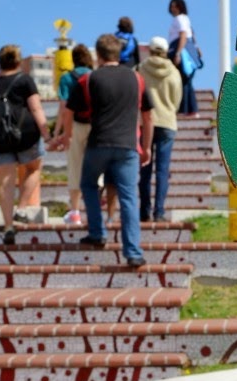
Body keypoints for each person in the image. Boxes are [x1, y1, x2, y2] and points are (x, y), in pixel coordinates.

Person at [63, 33, 153, 263]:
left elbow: (69, 110)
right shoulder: (137, 79)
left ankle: (97, 233)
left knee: (88, 184)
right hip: (128, 145)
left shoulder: (88, 80)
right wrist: (146, 147)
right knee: (128, 197)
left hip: (98, 143)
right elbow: (148, 116)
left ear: (99, 55)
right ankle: (133, 253)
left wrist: (66, 136)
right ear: (119, 54)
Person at [0, 44, 50, 245]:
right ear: (18, 61)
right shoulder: (25, 80)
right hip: (26, 134)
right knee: (34, 168)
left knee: (5, 181)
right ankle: (22, 208)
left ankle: (8, 226)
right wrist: (46, 133)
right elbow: (36, 109)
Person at [138, 36, 183, 221]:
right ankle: (159, 211)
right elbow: (177, 100)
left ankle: (144, 211)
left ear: (149, 50)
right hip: (167, 122)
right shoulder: (174, 72)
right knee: (162, 171)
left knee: (144, 169)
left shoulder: (140, 69)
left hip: (144, 122)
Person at [52, 43, 94, 226]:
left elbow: (64, 108)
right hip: (95, 126)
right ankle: (95, 208)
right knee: (95, 166)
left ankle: (75, 212)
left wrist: (59, 132)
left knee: (75, 168)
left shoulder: (67, 78)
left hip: (75, 125)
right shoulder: (95, 76)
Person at [168, 0, 198, 115]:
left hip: (181, 49)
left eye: (174, 6)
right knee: (187, 80)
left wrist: (178, 53)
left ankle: (183, 110)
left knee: (182, 80)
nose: (172, 8)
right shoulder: (185, 19)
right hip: (187, 49)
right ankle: (192, 109)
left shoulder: (179, 19)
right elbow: (191, 35)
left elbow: (183, 35)